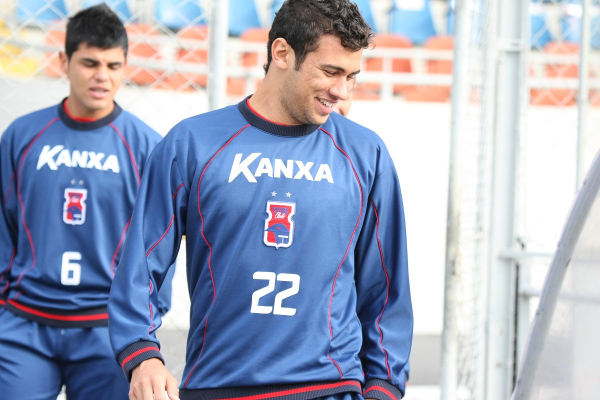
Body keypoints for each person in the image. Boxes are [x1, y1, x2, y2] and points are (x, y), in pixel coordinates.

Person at [108, 1, 413, 400]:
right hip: (218, 386)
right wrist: (141, 354)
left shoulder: (365, 155)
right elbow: (139, 263)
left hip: (328, 388)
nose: (341, 90)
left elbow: (386, 289)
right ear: (282, 53)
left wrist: (384, 388)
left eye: (351, 76)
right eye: (330, 71)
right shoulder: (192, 143)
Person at [0, 4, 172, 399]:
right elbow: (3, 224)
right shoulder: (22, 136)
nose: (102, 76)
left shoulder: (146, 147)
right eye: (90, 63)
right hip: (25, 324)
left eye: (114, 65)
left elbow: (157, 246)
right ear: (64, 61)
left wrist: (145, 323)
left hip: (106, 331)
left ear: (126, 66)